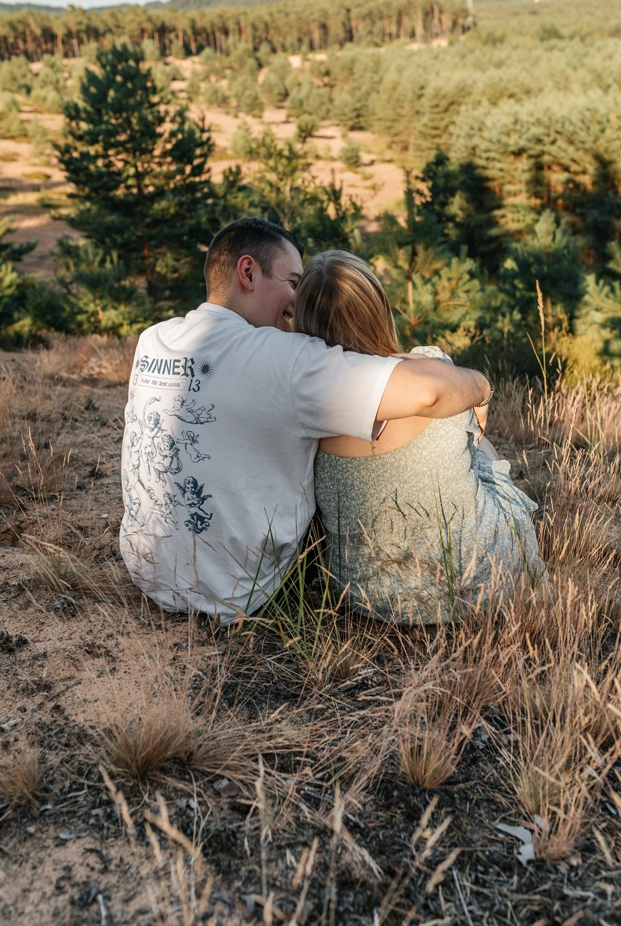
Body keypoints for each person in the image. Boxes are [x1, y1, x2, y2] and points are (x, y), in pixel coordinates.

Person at [120, 218, 491, 624]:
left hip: (149, 573)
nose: (297, 302)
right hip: (240, 594)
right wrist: (481, 386)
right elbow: (429, 392)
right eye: (293, 282)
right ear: (248, 272)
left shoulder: (154, 339)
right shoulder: (286, 358)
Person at [293, 250, 546, 625]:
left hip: (369, 596)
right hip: (482, 579)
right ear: (378, 308)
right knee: (475, 445)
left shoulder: (300, 404)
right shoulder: (431, 366)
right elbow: (464, 415)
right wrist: (480, 389)